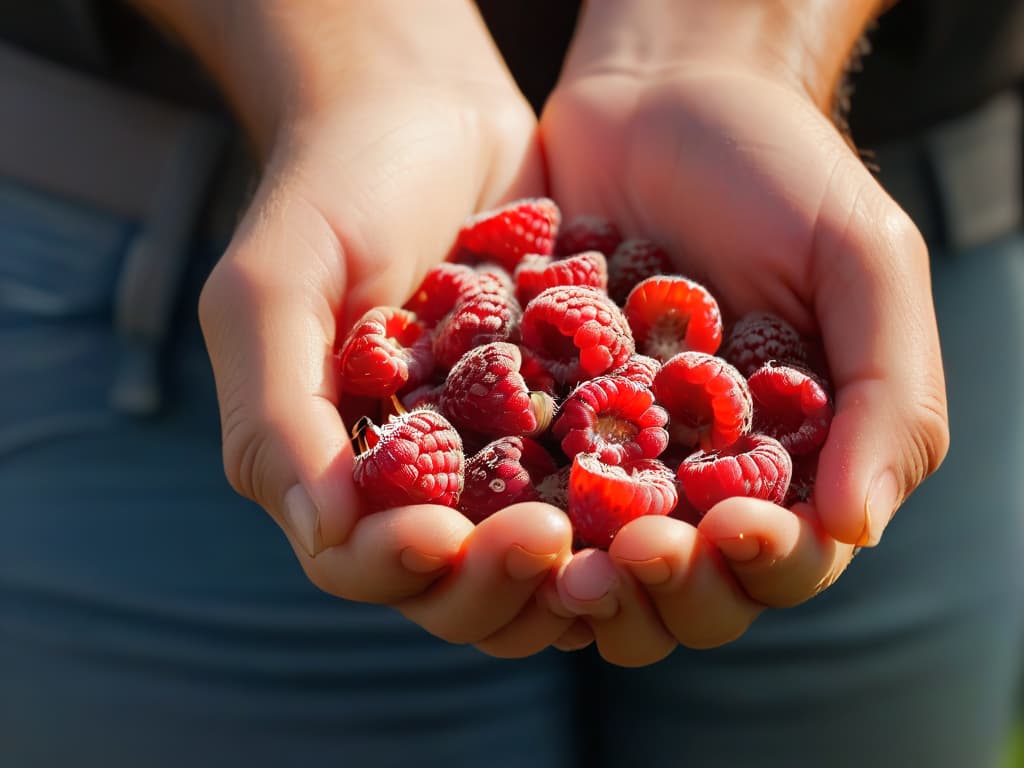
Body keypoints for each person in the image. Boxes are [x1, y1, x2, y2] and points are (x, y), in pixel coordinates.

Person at [0, 1, 1020, 766]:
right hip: (138, 273)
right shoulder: (481, 361)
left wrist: (721, 37)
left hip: (876, 243)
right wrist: (364, 56)